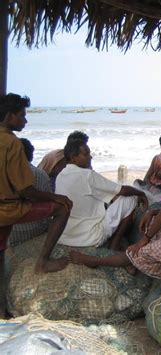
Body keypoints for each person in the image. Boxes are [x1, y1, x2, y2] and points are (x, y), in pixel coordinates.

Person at [70, 125, 161, 278]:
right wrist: (154, 212)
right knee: (151, 221)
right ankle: (138, 256)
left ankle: (94, 260)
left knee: (137, 252)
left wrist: (144, 239)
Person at [0, 94, 73, 318]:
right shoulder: (11, 143)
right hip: (8, 209)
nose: (25, 120)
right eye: (22, 115)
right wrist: (55, 198)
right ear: (9, 115)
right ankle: (43, 262)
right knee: (63, 208)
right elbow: (25, 189)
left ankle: (2, 312)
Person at [56, 140, 148, 250]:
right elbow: (122, 190)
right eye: (86, 154)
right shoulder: (87, 175)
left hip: (65, 236)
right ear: (73, 157)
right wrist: (141, 193)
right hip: (90, 237)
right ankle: (115, 244)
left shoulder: (61, 175)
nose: (90, 157)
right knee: (131, 198)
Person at [9, 138, 52, 247]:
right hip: (33, 229)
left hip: (8, 230)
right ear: (31, 156)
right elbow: (49, 202)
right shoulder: (40, 174)